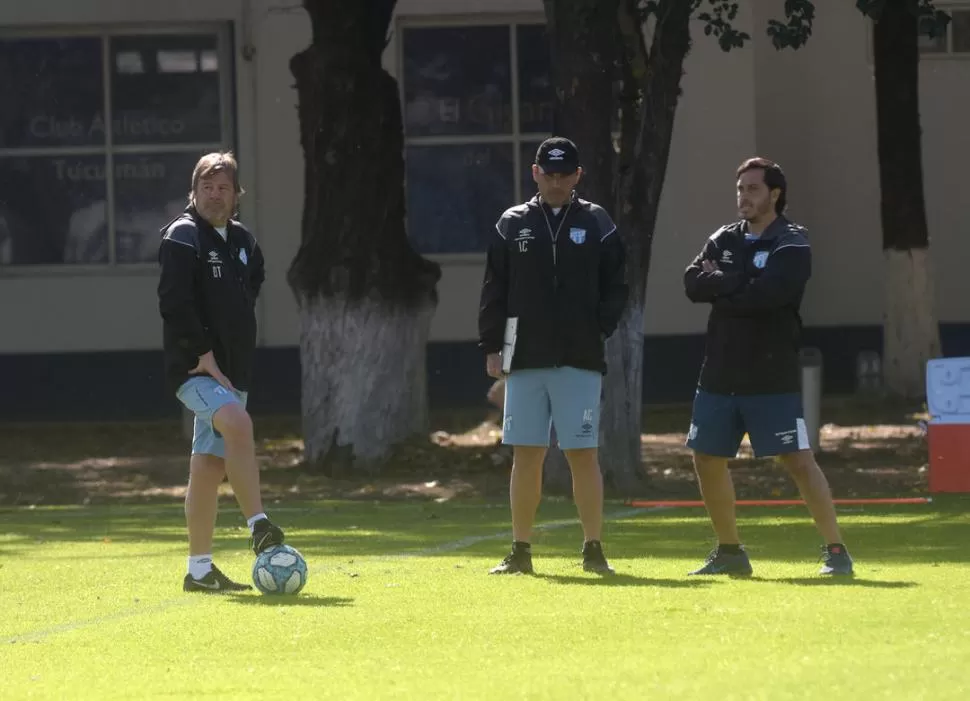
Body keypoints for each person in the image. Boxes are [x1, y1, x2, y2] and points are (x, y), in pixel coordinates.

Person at [682, 157, 854, 576]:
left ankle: (836, 552)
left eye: (753, 189)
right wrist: (734, 282)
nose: (744, 197)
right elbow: (691, 283)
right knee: (705, 457)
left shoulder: (792, 241)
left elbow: (770, 296)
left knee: (797, 459)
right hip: (720, 370)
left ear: (774, 194)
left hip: (770, 372)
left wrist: (722, 282)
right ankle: (729, 552)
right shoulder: (724, 237)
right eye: (740, 189)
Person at [478, 136, 628, 575]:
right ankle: (520, 550)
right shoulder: (512, 222)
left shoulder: (597, 221)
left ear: (578, 176)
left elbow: (617, 283)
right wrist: (492, 346)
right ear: (535, 173)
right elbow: (495, 289)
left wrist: (598, 326)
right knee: (527, 453)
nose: (557, 183)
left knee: (583, 453)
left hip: (579, 357)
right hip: (525, 356)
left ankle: (593, 548)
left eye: (566, 175)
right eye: (550, 174)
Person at [157, 151, 285, 592]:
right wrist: (203, 353)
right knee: (237, 422)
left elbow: (253, 284)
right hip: (194, 368)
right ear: (193, 192)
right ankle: (258, 524)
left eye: (223, 188)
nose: (215, 195)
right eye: (207, 188)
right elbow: (174, 302)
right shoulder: (182, 236)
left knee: (209, 468)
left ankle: (200, 571)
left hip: (233, 370)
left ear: (236, 196)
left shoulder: (244, 242)